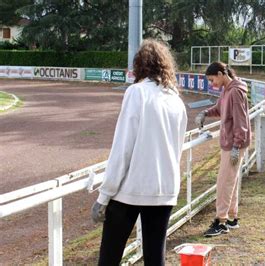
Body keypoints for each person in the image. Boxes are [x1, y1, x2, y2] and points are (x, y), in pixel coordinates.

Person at [91, 39, 187, 265]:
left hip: (131, 190)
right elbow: (177, 149)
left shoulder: (137, 93)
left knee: (109, 257)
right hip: (165, 189)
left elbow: (122, 148)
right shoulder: (177, 101)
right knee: (155, 257)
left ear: (140, 65)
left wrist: (104, 195)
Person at [194, 62, 251, 237]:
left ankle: (221, 221)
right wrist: (205, 113)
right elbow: (220, 108)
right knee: (230, 181)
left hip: (234, 144)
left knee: (224, 183)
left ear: (220, 74)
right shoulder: (228, 89)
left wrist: (236, 146)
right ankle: (232, 218)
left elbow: (241, 122)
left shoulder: (235, 91)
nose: (212, 84)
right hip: (232, 143)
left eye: (212, 80)